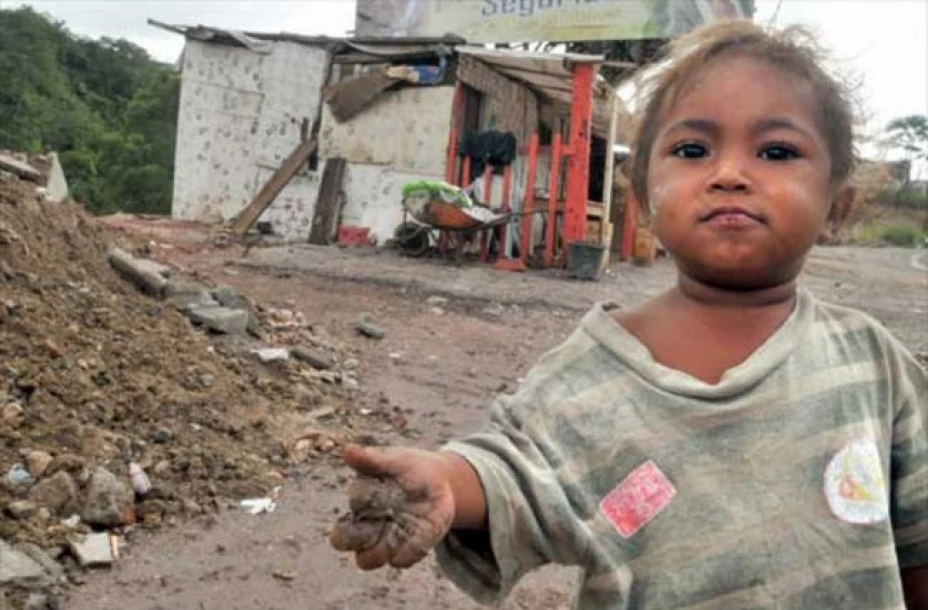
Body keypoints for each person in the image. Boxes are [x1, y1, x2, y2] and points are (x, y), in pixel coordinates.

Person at [329, 20, 928, 609]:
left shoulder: (872, 363)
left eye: (776, 151)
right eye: (692, 150)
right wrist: (446, 481)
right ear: (642, 200)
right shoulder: (588, 375)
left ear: (836, 207)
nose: (729, 175)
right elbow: (519, 472)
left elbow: (918, 538)